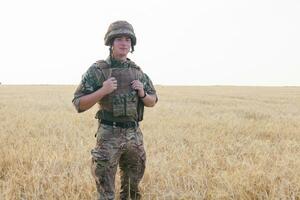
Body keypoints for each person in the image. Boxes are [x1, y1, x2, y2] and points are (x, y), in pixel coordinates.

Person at [72, 20, 158, 200]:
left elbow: (152, 101)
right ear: (111, 42)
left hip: (134, 136)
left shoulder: (137, 72)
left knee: (132, 191)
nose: (124, 43)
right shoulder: (98, 70)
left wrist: (142, 92)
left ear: (132, 44)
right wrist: (102, 91)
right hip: (108, 135)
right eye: (119, 39)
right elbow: (78, 103)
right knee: (106, 193)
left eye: (128, 39)